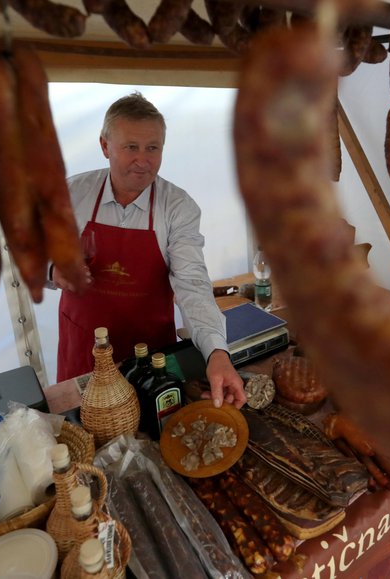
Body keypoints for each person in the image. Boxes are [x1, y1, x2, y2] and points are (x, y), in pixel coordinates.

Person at [50, 92, 246, 409]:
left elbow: (192, 283)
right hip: (84, 348)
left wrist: (217, 352)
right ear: (105, 146)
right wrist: (52, 271)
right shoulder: (72, 195)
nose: (143, 160)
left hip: (151, 356)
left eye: (152, 148)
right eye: (131, 147)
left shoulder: (178, 207)